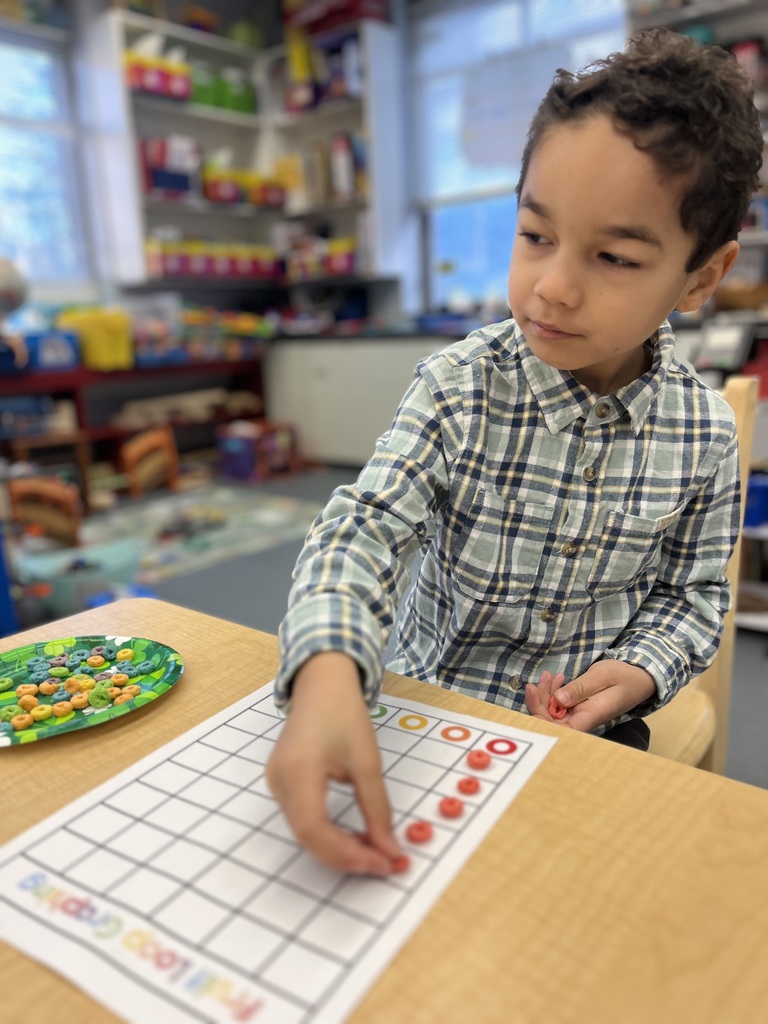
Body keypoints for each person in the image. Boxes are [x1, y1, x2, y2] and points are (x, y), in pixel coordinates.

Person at [266, 28, 764, 876]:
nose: (552, 286)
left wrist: (638, 672)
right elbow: (365, 530)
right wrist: (324, 670)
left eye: (612, 256)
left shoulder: (705, 434)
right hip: (429, 708)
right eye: (535, 235)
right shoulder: (461, 385)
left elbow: (691, 598)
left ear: (699, 278)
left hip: (585, 731)